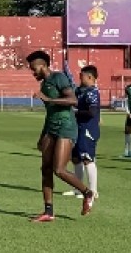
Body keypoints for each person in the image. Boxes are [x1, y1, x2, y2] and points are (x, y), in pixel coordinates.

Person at [28, 51, 94, 221]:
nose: (32, 72)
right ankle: (48, 212)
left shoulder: (59, 78)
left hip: (66, 127)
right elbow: (49, 113)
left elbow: (73, 101)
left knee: (59, 170)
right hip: (51, 128)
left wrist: (49, 100)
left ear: (42, 65)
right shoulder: (44, 85)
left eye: (33, 68)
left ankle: (87, 192)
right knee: (46, 170)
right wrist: (43, 135)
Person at [64, 66, 101, 203]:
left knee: (87, 159)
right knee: (75, 158)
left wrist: (75, 112)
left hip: (88, 129)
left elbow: (91, 112)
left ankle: (93, 190)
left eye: (82, 76)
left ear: (90, 77)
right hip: (77, 128)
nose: (80, 78)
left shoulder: (92, 92)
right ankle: (78, 187)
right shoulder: (80, 90)